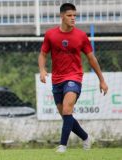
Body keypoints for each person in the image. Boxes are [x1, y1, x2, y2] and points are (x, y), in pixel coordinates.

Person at [38, 3, 108, 153]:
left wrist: (101, 80)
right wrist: (42, 70)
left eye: (75, 15)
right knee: (66, 115)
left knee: (68, 108)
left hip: (74, 77)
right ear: (61, 16)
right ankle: (86, 138)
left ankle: (62, 146)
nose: (73, 18)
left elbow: (91, 58)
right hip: (57, 79)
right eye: (69, 15)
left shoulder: (81, 36)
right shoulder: (50, 34)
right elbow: (43, 54)